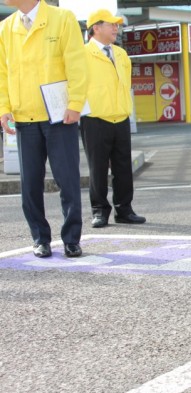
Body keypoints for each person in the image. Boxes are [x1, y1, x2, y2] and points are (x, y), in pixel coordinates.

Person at [0, 0, 87, 258]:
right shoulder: (5, 28)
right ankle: (40, 238)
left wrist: (75, 103)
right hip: (24, 117)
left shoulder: (62, 18)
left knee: (68, 180)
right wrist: (3, 107)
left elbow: (76, 64)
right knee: (29, 185)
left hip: (60, 117)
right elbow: (2, 73)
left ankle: (71, 238)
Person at [80, 9, 146, 228]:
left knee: (123, 166)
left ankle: (124, 210)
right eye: (111, 24)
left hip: (121, 117)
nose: (116, 28)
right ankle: (99, 211)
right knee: (97, 167)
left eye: (117, 25)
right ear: (96, 28)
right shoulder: (82, 54)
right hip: (95, 118)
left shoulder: (121, 54)